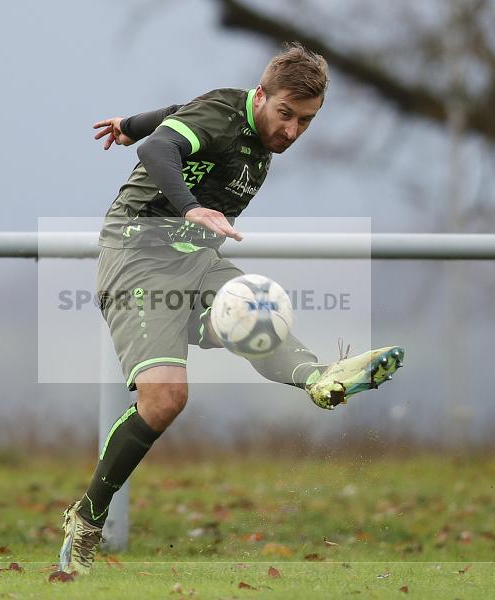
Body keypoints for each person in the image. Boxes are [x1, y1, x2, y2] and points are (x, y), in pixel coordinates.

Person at [58, 42, 404, 575]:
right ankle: (87, 517)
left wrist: (129, 120)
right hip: (139, 255)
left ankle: (319, 377)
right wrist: (188, 200)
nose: (291, 131)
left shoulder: (239, 120)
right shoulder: (225, 115)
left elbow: (177, 113)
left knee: (257, 314)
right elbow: (156, 150)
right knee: (167, 399)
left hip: (195, 259)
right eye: (285, 114)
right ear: (260, 96)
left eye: (305, 121)